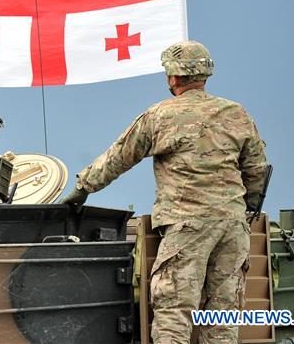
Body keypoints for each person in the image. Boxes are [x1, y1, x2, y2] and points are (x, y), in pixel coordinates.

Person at [61, 41, 268, 344]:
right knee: (222, 318)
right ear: (205, 75)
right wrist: (245, 205)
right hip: (233, 228)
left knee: (174, 313)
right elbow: (257, 169)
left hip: (187, 227)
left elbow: (119, 157)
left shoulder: (160, 116)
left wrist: (82, 188)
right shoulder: (237, 113)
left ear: (173, 78)